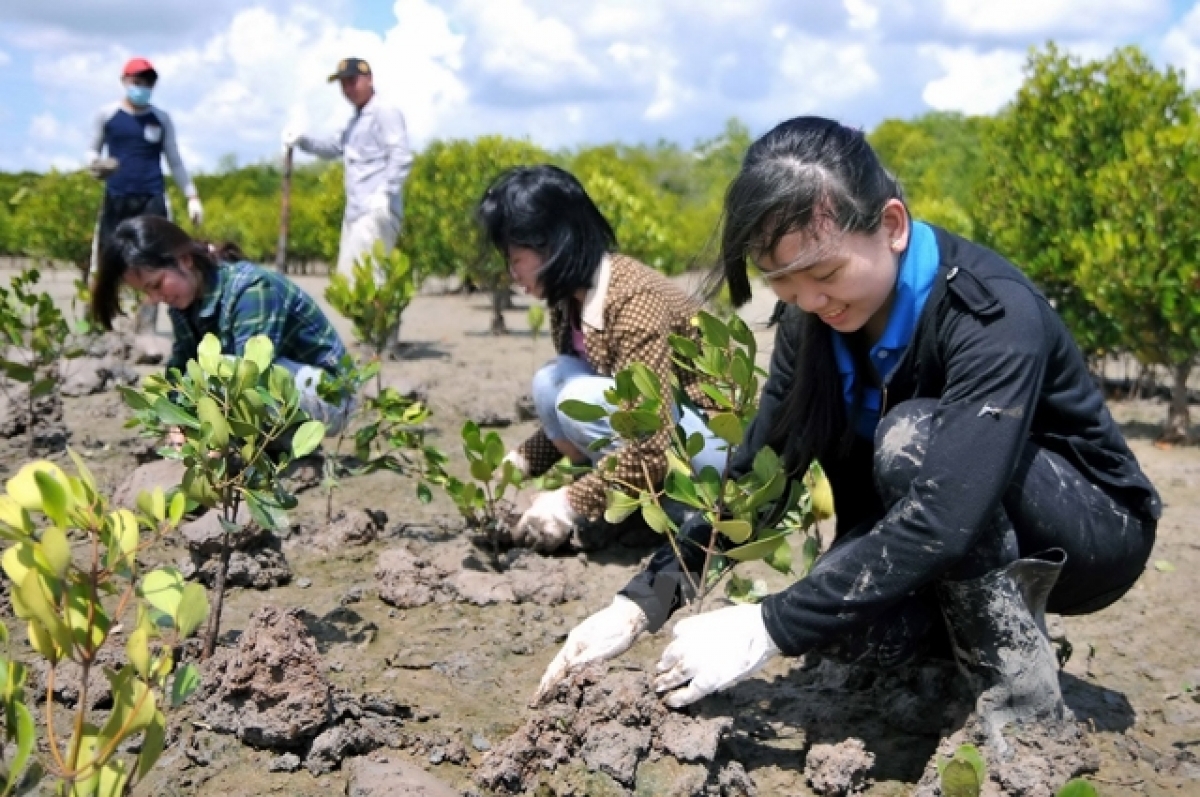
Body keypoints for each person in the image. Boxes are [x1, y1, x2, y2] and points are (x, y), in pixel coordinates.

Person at [535, 117, 1159, 745]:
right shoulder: (812, 327)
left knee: (909, 438)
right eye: (783, 281)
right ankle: (950, 664)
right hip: (941, 520)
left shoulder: (990, 312)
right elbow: (757, 476)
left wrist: (766, 624)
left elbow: (946, 513)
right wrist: (640, 601)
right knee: (842, 623)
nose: (809, 300)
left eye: (825, 274)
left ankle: (1025, 718)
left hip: (1092, 528)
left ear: (891, 226)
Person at [478, 165, 728, 553]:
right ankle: (624, 494)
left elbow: (652, 441)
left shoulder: (633, 302)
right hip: (663, 433)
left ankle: (680, 507)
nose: (512, 274)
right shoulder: (567, 301)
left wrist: (568, 503)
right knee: (552, 382)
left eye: (515, 259)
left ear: (552, 245)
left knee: (573, 396)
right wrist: (514, 468)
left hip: (711, 451)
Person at [90, 216, 352, 434]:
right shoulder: (183, 304)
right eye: (147, 292)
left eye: (157, 284)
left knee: (220, 376)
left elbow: (251, 378)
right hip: (279, 400)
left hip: (331, 398)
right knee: (198, 380)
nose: (158, 298)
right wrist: (175, 421)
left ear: (185, 260)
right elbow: (180, 371)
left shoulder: (252, 288)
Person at [88, 57, 203, 332]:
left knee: (157, 263)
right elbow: (91, 150)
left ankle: (147, 328)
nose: (142, 87)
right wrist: (96, 165)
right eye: (137, 81)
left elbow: (175, 161)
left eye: (148, 82)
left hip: (152, 197)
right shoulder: (108, 115)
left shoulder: (160, 119)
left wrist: (192, 196)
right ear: (125, 81)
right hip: (117, 197)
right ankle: (95, 325)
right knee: (104, 262)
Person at [282, 58, 413, 281]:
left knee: (371, 281)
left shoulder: (385, 111)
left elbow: (401, 156)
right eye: (343, 84)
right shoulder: (354, 121)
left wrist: (385, 193)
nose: (348, 89)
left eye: (353, 81)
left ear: (369, 79)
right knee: (349, 282)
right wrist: (302, 141)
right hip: (354, 212)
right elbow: (332, 147)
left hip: (375, 209)